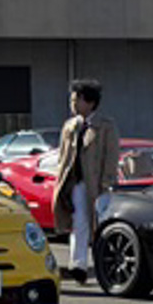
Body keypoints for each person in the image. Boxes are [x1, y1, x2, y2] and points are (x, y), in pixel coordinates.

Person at [51, 78, 119, 284]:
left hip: (97, 184)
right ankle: (78, 265)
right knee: (79, 223)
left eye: (76, 99)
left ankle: (104, 267)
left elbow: (111, 155)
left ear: (89, 102)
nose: (72, 104)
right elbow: (63, 157)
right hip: (76, 183)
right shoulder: (70, 126)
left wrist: (106, 181)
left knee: (99, 226)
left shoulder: (105, 127)